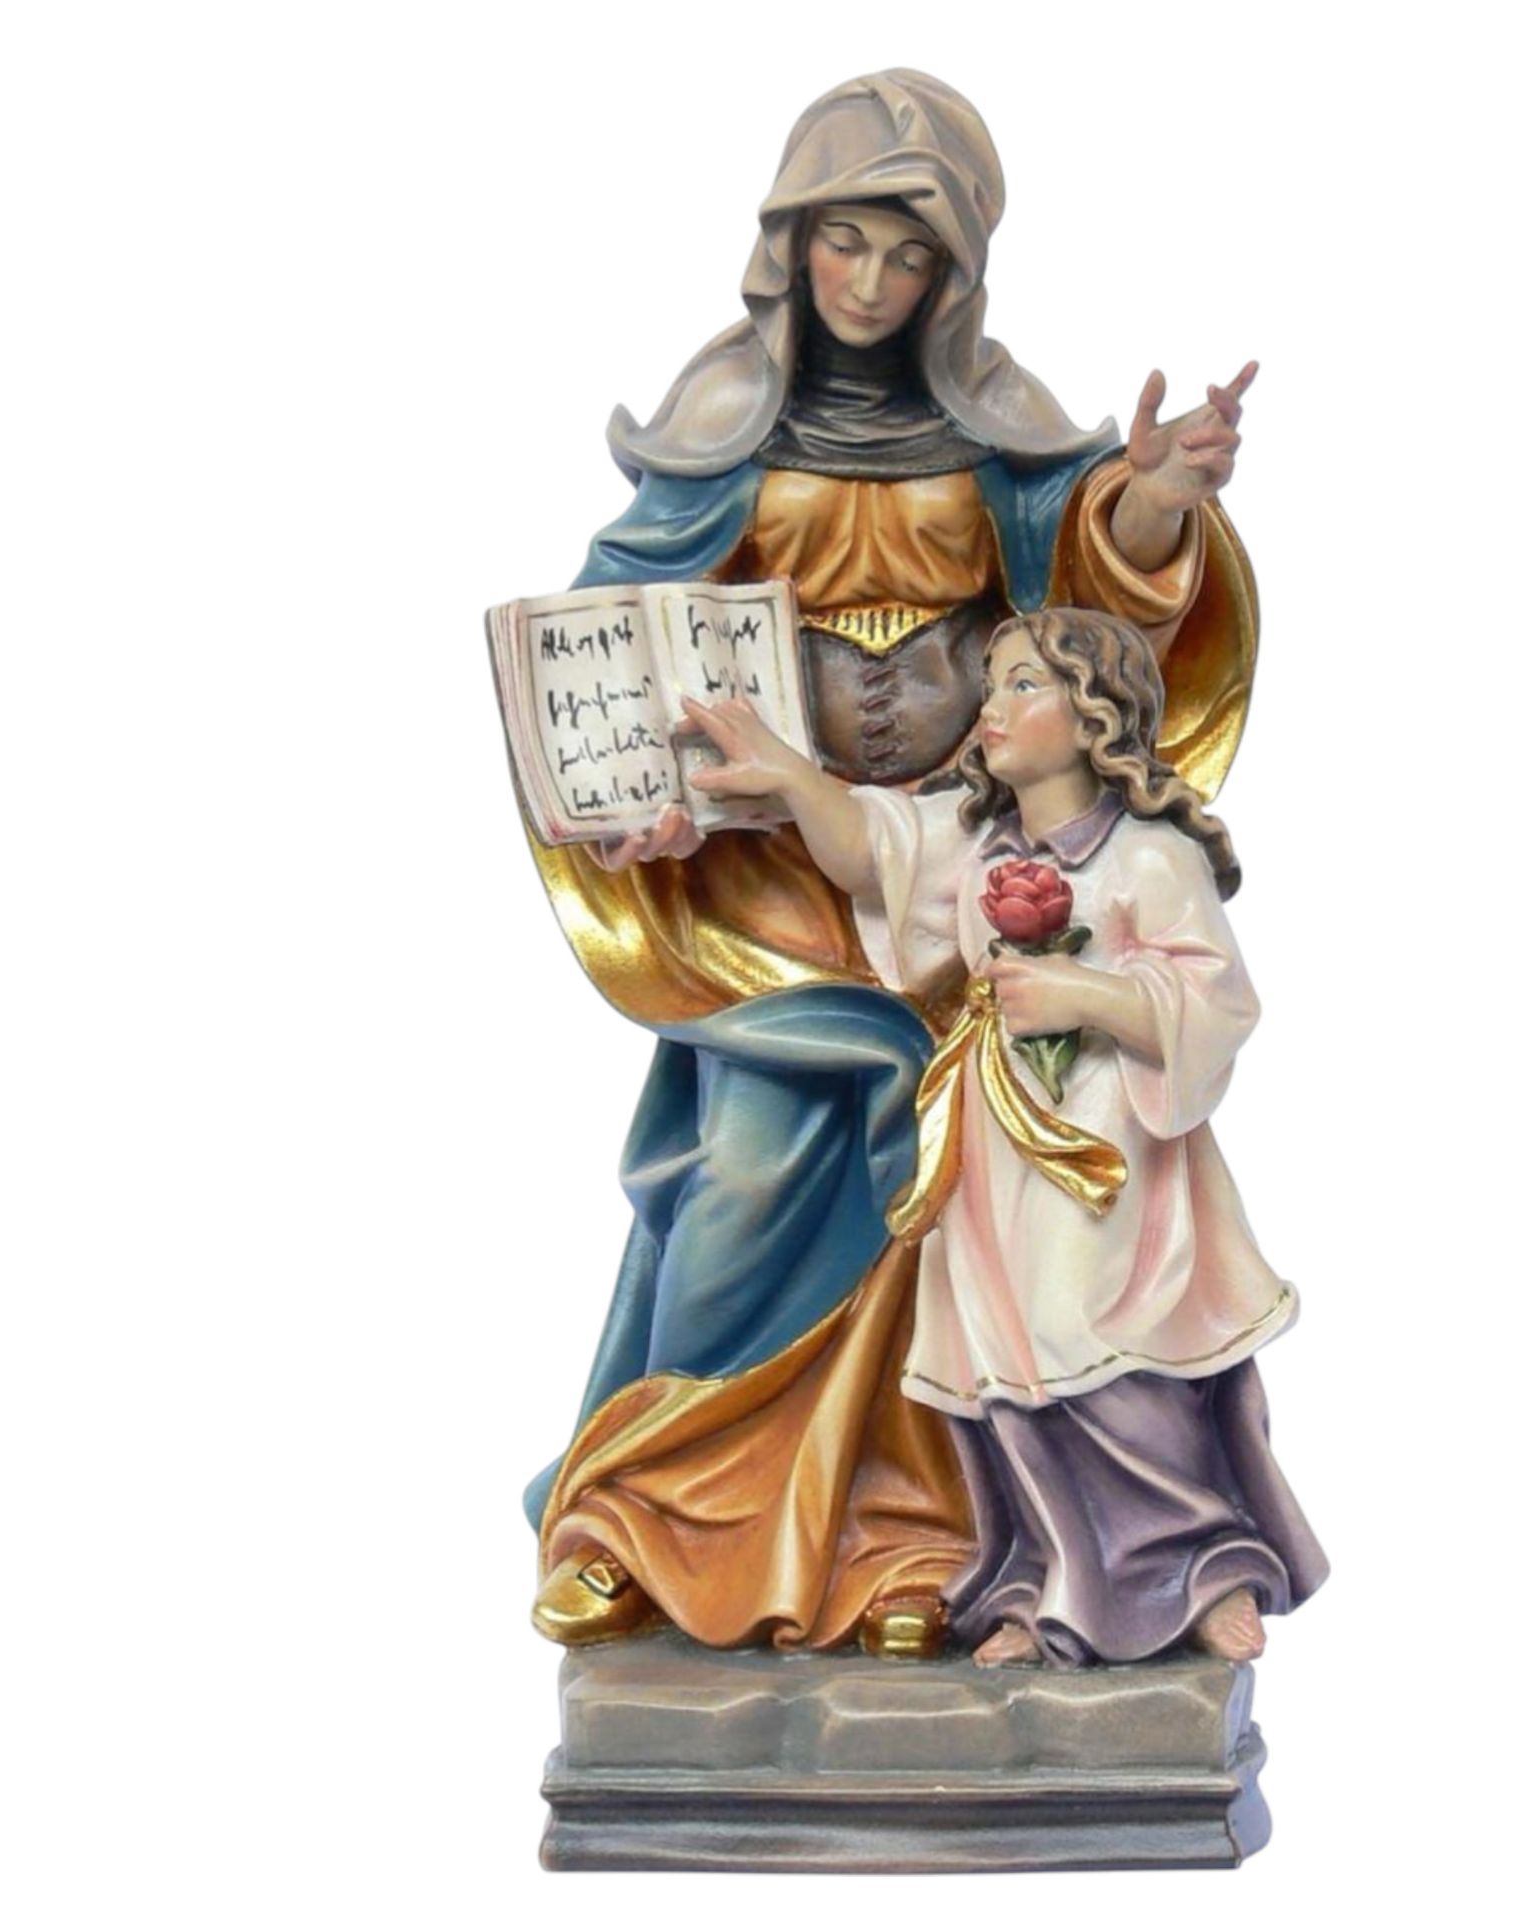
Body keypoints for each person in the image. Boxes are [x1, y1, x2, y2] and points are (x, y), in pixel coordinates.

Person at [521, 69, 1268, 1656]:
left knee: (967, 1198)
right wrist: (639, 799)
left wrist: (1152, 504)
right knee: (751, 1172)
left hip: (959, 863)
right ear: (789, 245)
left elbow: (1097, 603)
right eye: (845, 244)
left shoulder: (998, 433)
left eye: (910, 256)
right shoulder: (720, 426)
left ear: (956, 272)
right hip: (775, 870)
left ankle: (920, 1541)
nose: (870, 285)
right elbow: (610, 642)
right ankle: (647, 1515)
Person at [680, 606, 1327, 1666]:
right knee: (1004, 1353)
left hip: (1109, 1147)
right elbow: (871, 849)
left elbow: (1219, 1002)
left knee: (1100, 1333)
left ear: (1095, 716)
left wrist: (1089, 994)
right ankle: (1043, 1583)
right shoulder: (975, 838)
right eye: (993, 686)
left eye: (1025, 685)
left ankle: (1199, 1566)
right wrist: (793, 778)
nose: (993, 707)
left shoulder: (1151, 856)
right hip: (995, 1141)